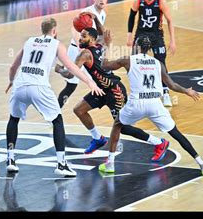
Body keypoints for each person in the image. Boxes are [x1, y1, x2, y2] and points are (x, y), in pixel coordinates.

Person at [98, 36, 203, 176]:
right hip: (155, 103)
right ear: (148, 49)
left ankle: (110, 164)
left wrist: (105, 46)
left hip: (137, 103)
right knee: (176, 133)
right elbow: (171, 85)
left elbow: (104, 65)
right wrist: (186, 91)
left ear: (136, 46)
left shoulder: (128, 60)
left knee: (117, 124)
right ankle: (202, 164)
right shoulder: (158, 63)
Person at [4, 18, 104, 175]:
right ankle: (61, 163)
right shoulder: (57, 44)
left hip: (20, 85)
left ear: (41, 29)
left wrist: (11, 81)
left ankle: (10, 159)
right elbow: (71, 67)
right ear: (54, 31)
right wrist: (90, 82)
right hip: (39, 87)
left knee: (13, 119)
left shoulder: (29, 41)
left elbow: (13, 66)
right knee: (57, 120)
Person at [57, 27, 168, 158]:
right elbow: (101, 37)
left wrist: (59, 70)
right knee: (79, 110)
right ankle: (98, 138)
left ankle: (159, 142)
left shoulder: (85, 54)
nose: (80, 38)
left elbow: (70, 74)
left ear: (92, 39)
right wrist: (105, 37)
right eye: (80, 36)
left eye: (84, 36)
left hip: (115, 91)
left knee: (123, 127)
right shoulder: (99, 46)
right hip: (101, 90)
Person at [55, 0, 108, 109]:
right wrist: (81, 47)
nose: (102, 0)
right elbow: (74, 28)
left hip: (89, 51)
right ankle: (55, 112)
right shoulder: (86, 12)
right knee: (71, 84)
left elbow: (97, 35)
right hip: (77, 49)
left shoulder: (102, 14)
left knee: (99, 79)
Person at [126, 0, 176, 107]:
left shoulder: (161, 1)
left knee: (161, 64)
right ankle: (137, 92)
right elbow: (131, 17)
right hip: (141, 34)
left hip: (156, 35)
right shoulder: (138, 0)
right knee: (135, 63)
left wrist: (173, 41)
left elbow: (170, 21)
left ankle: (165, 93)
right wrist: (129, 35)